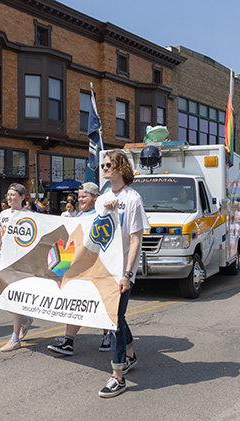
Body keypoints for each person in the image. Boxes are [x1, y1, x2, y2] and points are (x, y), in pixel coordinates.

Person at [96, 150, 150, 398]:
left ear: (120, 168)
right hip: (103, 270)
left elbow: (135, 238)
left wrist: (127, 274)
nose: (105, 168)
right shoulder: (103, 197)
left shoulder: (133, 198)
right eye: (103, 165)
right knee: (116, 317)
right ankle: (129, 354)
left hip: (121, 272)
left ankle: (118, 376)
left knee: (114, 320)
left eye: (109, 164)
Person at [47, 182, 112, 356]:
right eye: (80, 196)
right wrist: (63, 265)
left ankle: (108, 335)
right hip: (78, 267)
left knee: (101, 301)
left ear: (95, 197)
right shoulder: (79, 216)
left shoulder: (101, 214)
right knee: (74, 302)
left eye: (84, 196)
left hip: (97, 266)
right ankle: (69, 341)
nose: (81, 199)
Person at [0, 183, 34, 352]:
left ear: (22, 197)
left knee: (16, 299)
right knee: (4, 298)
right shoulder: (3, 215)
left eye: (13, 195)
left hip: (22, 265)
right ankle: (24, 319)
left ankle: (15, 337)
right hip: (5, 264)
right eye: (8, 195)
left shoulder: (29, 216)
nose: (9, 198)